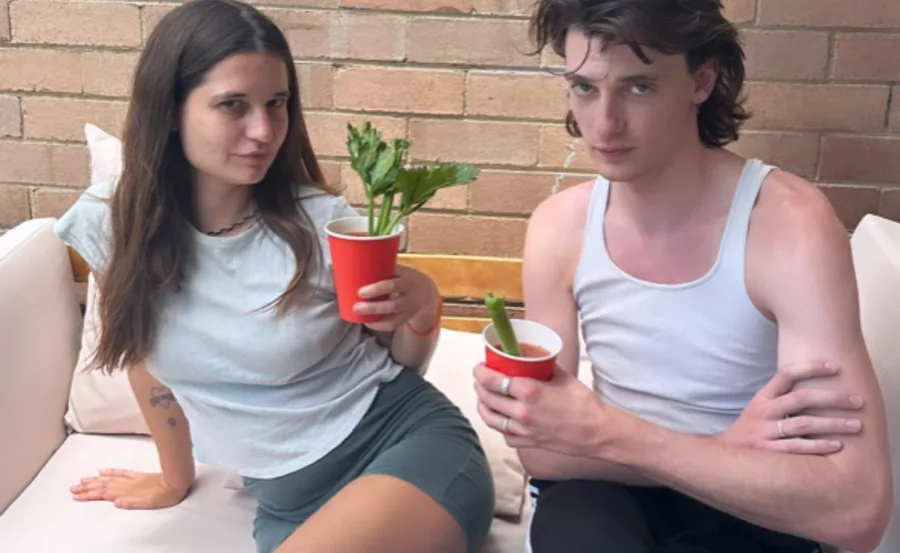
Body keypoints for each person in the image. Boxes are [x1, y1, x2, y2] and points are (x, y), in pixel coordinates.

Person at [55, 1, 495, 552]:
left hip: (405, 449)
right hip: (287, 504)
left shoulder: (321, 225)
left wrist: (424, 304)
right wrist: (174, 477)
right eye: (233, 105)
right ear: (170, 109)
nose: (263, 130)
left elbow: (398, 363)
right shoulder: (114, 223)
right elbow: (143, 356)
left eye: (277, 104)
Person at [473, 1, 892, 552]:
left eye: (639, 87)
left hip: (753, 505)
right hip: (609, 496)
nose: (604, 124)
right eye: (585, 87)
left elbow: (856, 510)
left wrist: (607, 434)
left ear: (701, 81)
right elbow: (542, 449)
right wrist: (721, 447)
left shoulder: (788, 225)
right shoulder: (560, 227)